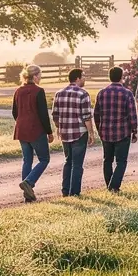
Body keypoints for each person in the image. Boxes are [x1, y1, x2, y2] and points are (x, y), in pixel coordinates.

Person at [51, 67, 95, 196]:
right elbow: (86, 116)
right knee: (77, 164)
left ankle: (65, 190)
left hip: (65, 132)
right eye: (83, 76)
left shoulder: (59, 93)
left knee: (68, 161)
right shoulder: (83, 94)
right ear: (77, 78)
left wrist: (59, 127)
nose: (84, 78)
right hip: (79, 133)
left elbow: (55, 115)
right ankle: (74, 192)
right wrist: (91, 133)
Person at [12, 64, 52, 202]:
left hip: (21, 129)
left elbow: (14, 112)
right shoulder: (38, 91)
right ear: (35, 76)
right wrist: (49, 132)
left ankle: (27, 196)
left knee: (27, 160)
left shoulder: (18, 91)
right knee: (44, 159)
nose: (40, 77)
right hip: (36, 129)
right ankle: (29, 182)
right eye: (40, 75)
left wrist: (22, 122)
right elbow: (43, 114)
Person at [93, 66, 137, 191]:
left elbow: (96, 113)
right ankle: (114, 186)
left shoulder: (102, 93)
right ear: (122, 77)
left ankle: (109, 185)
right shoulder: (127, 93)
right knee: (121, 161)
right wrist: (134, 131)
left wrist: (99, 129)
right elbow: (132, 114)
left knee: (107, 160)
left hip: (105, 132)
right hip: (122, 132)